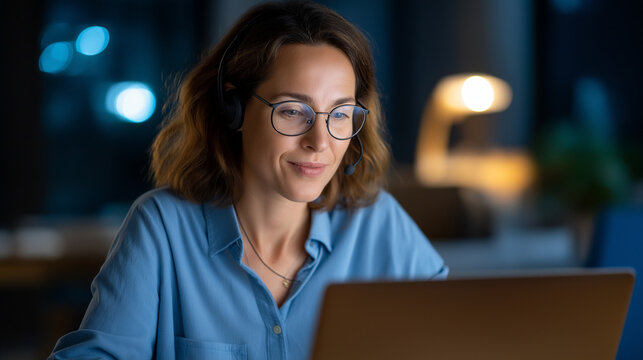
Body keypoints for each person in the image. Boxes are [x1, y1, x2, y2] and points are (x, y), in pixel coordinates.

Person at [49, 1, 447, 359]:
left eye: (340, 114)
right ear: (233, 109)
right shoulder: (162, 227)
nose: (320, 142)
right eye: (293, 111)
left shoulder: (379, 225)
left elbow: (457, 335)